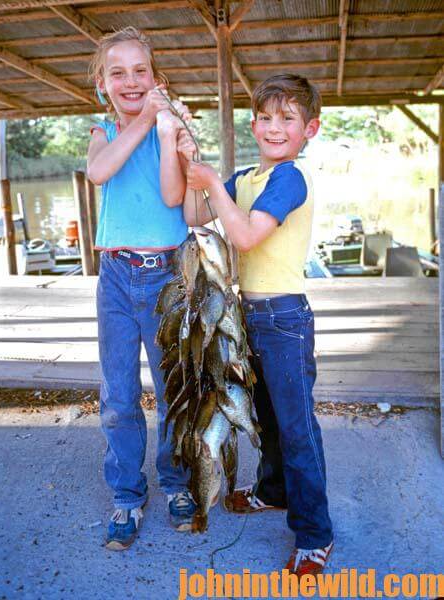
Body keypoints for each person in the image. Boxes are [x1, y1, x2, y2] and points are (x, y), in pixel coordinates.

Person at [177, 74, 334, 576]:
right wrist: (189, 159)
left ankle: (315, 533)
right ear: (252, 123)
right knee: (263, 418)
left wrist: (211, 188)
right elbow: (194, 213)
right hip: (245, 317)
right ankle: (272, 491)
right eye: (266, 117)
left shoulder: (290, 178)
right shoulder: (244, 178)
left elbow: (243, 237)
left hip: (285, 318)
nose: (274, 127)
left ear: (310, 128)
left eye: (288, 118)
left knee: (296, 428)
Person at [87, 27, 196, 550]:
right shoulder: (101, 131)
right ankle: (127, 495)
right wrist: (147, 118)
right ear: (103, 84)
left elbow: (175, 194)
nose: (130, 80)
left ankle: (176, 482)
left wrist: (171, 132)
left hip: (167, 277)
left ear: (157, 79)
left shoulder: (168, 130)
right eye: (118, 72)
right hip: (115, 277)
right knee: (118, 396)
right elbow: (100, 172)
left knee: (173, 390)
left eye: (141, 71)